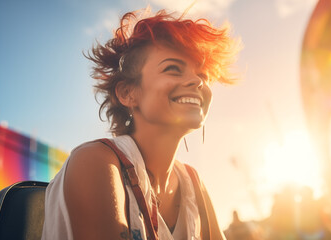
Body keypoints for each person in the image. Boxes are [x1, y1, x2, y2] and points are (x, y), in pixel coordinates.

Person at [41, 6, 240, 240]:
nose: (197, 81)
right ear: (128, 93)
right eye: (173, 69)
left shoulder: (194, 183)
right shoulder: (95, 161)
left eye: (203, 76)